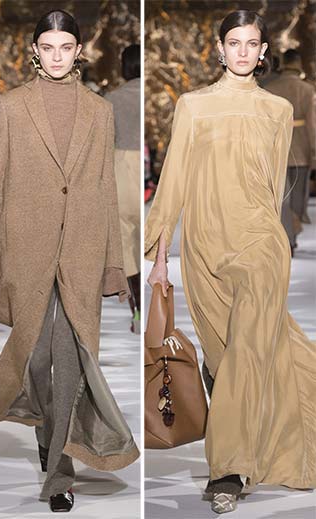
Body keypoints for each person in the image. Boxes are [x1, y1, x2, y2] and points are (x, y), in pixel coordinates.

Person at [145, 10, 316, 514]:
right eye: (234, 42)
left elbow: (274, 184)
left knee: (246, 354)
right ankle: (242, 416)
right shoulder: (193, 106)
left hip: (261, 243)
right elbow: (174, 180)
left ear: (263, 52)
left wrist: (276, 234)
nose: (242, 51)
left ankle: (226, 473)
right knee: (227, 356)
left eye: (251, 43)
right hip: (204, 245)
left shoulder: (278, 109)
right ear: (219, 49)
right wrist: (160, 256)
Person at [0, 9, 139, 513]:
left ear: (79, 51)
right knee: (35, 356)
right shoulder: (13, 105)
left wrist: (113, 264)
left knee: (70, 361)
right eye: (48, 47)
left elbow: (105, 189)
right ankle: (49, 433)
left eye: (66, 47)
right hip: (26, 246)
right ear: (36, 52)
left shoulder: (99, 110)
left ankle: (60, 471)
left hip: (83, 248)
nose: (58, 56)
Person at [265, 49, 316, 251]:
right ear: (298, 64)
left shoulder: (270, 88)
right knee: (298, 196)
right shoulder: (307, 89)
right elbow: (312, 123)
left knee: (281, 195)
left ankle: (288, 236)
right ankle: (292, 232)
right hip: (301, 146)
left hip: (276, 145)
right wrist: (314, 149)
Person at [106, 44, 142, 333]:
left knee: (126, 245)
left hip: (120, 167)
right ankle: (157, 313)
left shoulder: (112, 99)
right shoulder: (155, 96)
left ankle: (137, 311)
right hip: (147, 166)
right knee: (151, 242)